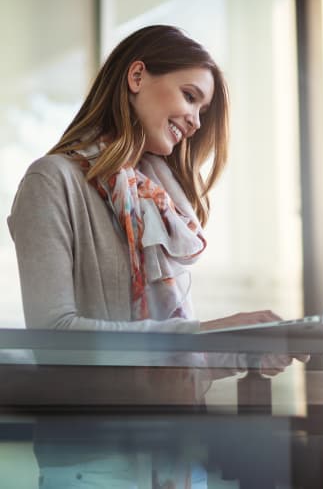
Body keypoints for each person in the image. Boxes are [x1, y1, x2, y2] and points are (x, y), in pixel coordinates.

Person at [8, 25, 307, 488]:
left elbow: (165, 357)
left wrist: (241, 345)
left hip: (176, 460)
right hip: (95, 469)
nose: (195, 121)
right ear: (137, 76)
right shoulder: (52, 181)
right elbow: (56, 337)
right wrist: (204, 335)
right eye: (190, 96)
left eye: (202, 111)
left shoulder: (158, 203)